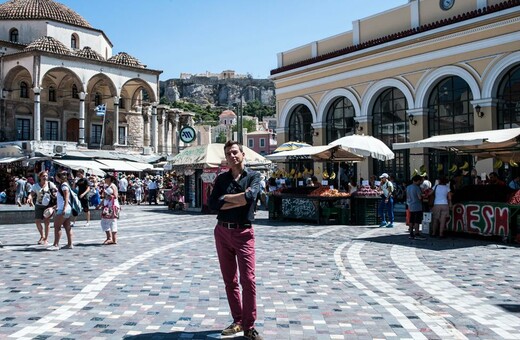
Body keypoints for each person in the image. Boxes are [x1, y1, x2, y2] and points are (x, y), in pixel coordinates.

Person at [208, 141, 263, 340]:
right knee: (229, 280)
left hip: (244, 233)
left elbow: (250, 197)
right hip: (222, 231)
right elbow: (213, 204)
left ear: (242, 154)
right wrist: (238, 199)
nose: (232, 156)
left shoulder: (254, 176)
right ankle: (238, 320)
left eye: (235, 152)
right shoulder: (221, 178)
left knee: (248, 280)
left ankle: (249, 325)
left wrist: (227, 199)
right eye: (228, 153)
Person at [27, 170, 56, 245]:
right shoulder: (36, 186)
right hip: (38, 205)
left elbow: (56, 191)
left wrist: (55, 195)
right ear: (40, 177)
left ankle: (46, 238)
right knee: (37, 221)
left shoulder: (50, 184)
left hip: (48, 206)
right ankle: (42, 236)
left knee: (47, 222)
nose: (45, 177)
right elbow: (32, 193)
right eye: (43, 176)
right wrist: (29, 198)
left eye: (46, 176)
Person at [48, 171, 74, 250]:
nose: (55, 178)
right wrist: (57, 206)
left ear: (58, 177)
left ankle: (56, 244)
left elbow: (66, 198)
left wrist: (64, 208)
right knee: (67, 227)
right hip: (65, 207)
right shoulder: (65, 185)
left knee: (57, 226)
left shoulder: (63, 186)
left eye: (56, 177)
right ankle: (70, 244)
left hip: (64, 208)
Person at [99, 174, 120, 245]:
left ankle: (110, 238)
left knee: (106, 221)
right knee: (110, 221)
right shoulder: (107, 186)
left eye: (105, 178)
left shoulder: (112, 186)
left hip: (111, 206)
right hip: (108, 206)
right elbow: (105, 198)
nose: (104, 179)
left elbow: (115, 196)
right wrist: (100, 204)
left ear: (109, 179)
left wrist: (108, 195)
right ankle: (112, 239)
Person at [406, 175, 426, 240]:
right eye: (420, 181)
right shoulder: (417, 188)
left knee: (411, 220)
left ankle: (411, 233)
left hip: (410, 205)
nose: (420, 182)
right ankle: (416, 233)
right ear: (418, 181)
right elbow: (419, 197)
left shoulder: (408, 187)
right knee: (417, 220)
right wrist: (423, 195)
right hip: (417, 205)